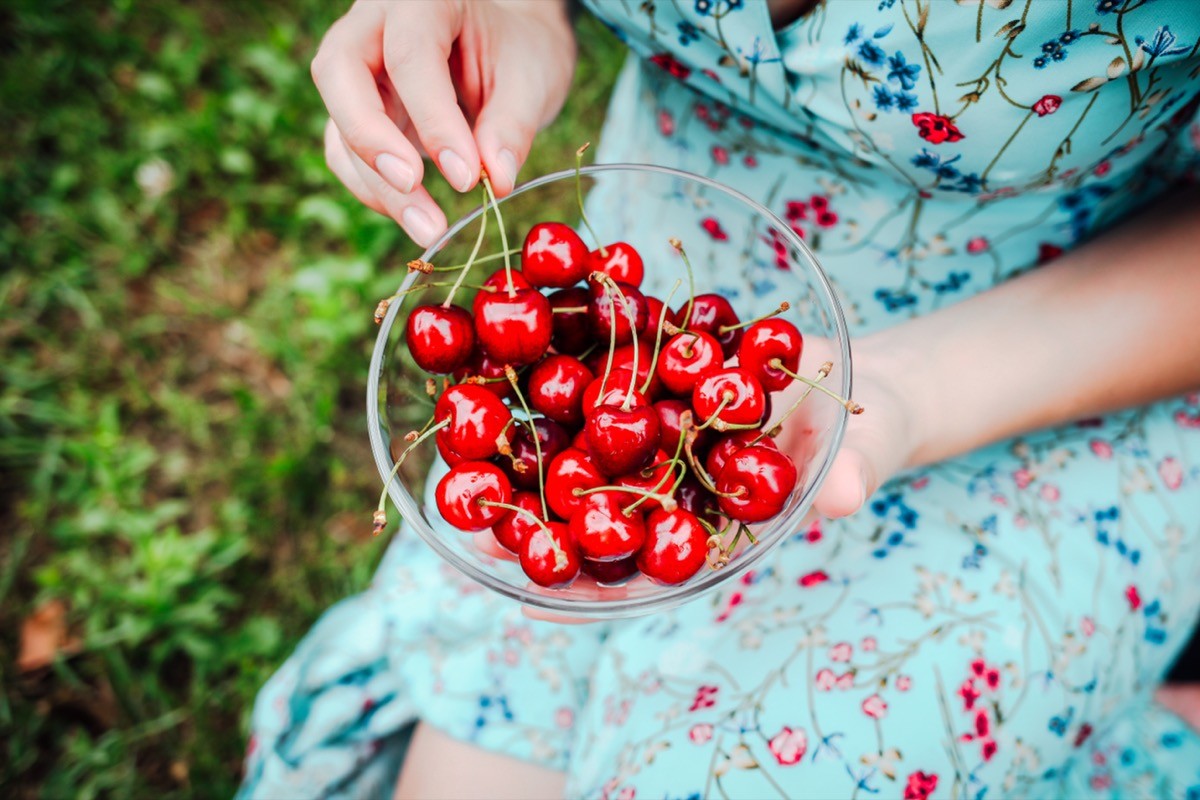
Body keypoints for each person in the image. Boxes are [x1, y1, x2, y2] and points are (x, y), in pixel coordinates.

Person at [240, 1, 1200, 797]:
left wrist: (907, 386)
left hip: (1058, 357)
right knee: (469, 769)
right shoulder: (603, 352)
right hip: (651, 307)